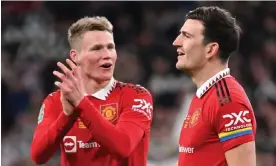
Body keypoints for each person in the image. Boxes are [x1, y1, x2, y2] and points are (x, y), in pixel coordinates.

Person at [31, 16, 153, 166]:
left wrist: (81, 104)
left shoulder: (136, 96)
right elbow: (38, 156)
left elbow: (122, 147)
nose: (106, 54)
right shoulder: (56, 101)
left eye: (110, 47)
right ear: (76, 56)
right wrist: (68, 116)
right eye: (96, 48)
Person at [172, 6, 257, 166]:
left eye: (186, 36)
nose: (176, 42)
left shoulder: (228, 101)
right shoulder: (204, 95)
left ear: (211, 49)